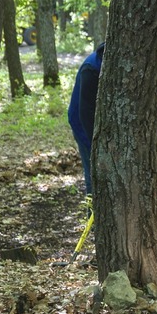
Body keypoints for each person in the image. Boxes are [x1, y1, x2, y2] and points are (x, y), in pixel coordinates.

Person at [67, 42, 105, 198]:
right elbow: (85, 114)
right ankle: (93, 217)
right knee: (93, 178)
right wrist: (96, 145)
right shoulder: (91, 69)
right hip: (83, 125)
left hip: (98, 123)